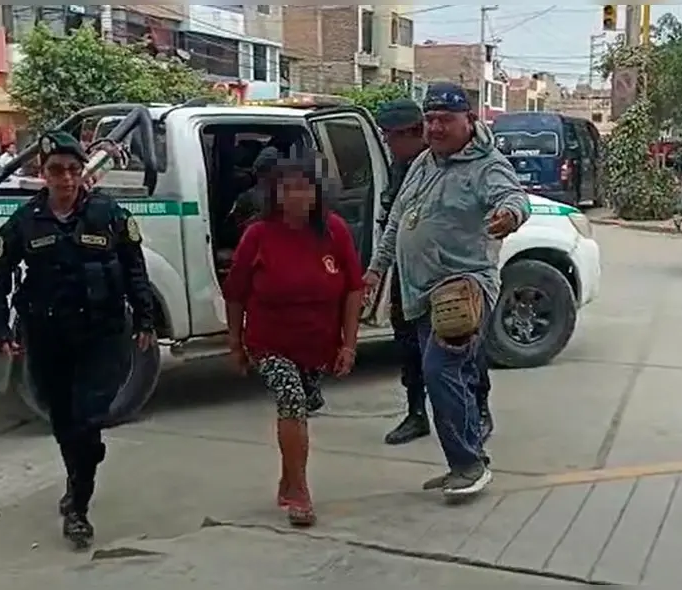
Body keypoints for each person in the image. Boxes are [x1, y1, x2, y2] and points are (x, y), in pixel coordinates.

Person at [0, 131, 156, 550]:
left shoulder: (108, 213)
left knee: (88, 420)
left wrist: (145, 320)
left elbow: (135, 268)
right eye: (56, 171)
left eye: (73, 170)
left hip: (102, 335)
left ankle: (78, 507)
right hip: (48, 339)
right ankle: (78, 474)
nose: (65, 179)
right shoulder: (24, 222)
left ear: (83, 173)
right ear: (42, 174)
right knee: (65, 423)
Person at [363, 83, 531, 498]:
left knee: (441, 371)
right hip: (420, 290)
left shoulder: (486, 166)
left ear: (468, 121)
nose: (436, 127)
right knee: (452, 373)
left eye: (446, 120)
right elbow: (401, 219)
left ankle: (468, 464)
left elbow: (514, 197)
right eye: (431, 120)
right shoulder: (424, 162)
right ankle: (470, 455)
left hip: (462, 289)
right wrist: (375, 271)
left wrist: (510, 215)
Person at [223, 149, 364, 527]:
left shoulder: (335, 230)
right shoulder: (258, 235)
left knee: (301, 409)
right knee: (291, 401)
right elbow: (235, 293)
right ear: (275, 195)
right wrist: (235, 344)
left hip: (317, 343)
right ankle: (300, 492)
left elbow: (354, 289)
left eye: (305, 189)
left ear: (318, 193)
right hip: (269, 342)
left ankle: (288, 479)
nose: (297, 197)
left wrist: (349, 344)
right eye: (288, 189)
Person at [375, 98, 494, 447]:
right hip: (409, 271)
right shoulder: (407, 166)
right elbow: (396, 216)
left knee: (462, 342)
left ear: (415, 134)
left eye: (391, 136)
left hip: (450, 275)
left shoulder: (455, 163)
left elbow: (505, 199)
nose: (386, 143)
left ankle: (477, 412)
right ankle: (416, 413)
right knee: (408, 343)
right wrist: (378, 268)